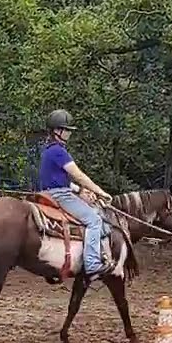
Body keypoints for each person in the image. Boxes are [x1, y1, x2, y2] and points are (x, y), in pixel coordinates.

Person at [38, 109, 113, 278]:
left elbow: (59, 179)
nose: (69, 133)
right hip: (60, 195)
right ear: (58, 131)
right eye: (67, 130)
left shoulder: (48, 151)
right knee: (94, 220)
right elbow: (78, 175)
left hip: (53, 191)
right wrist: (101, 192)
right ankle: (93, 263)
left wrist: (80, 190)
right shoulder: (58, 151)